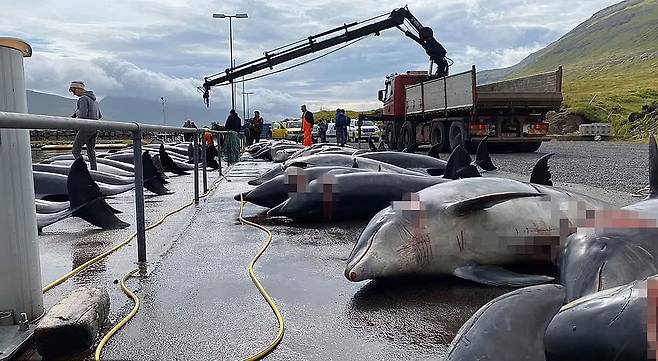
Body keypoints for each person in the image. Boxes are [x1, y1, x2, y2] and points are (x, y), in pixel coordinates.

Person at [69, 81, 101, 170]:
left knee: (75, 150)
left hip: (86, 128)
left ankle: (82, 170)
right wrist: (75, 114)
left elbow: (82, 115)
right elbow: (100, 115)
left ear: (79, 89)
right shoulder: (95, 100)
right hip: (95, 128)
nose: (74, 94)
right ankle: (94, 170)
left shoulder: (83, 99)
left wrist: (76, 117)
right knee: (91, 150)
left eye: (73, 91)